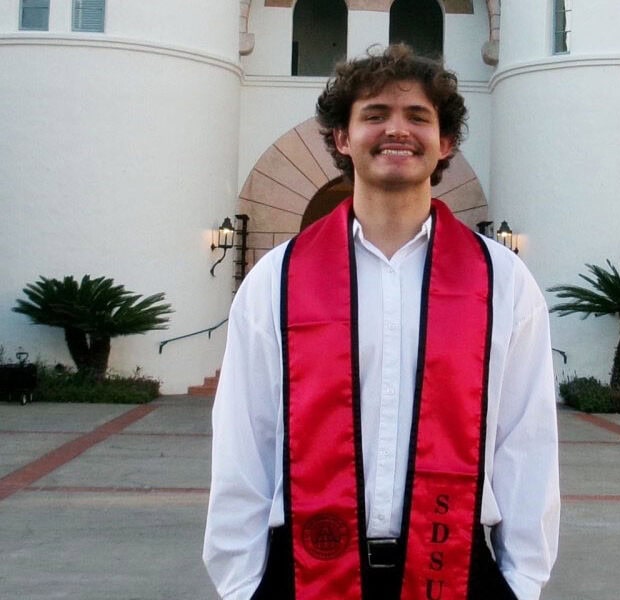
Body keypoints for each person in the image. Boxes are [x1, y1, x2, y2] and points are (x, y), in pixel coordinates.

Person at [203, 44, 560, 600]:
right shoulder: (277, 278)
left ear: (445, 143)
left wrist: (522, 582)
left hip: (458, 569)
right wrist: (242, 584)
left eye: (418, 116)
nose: (397, 130)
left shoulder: (502, 281)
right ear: (342, 139)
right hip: (302, 570)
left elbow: (526, 439)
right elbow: (243, 440)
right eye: (374, 115)